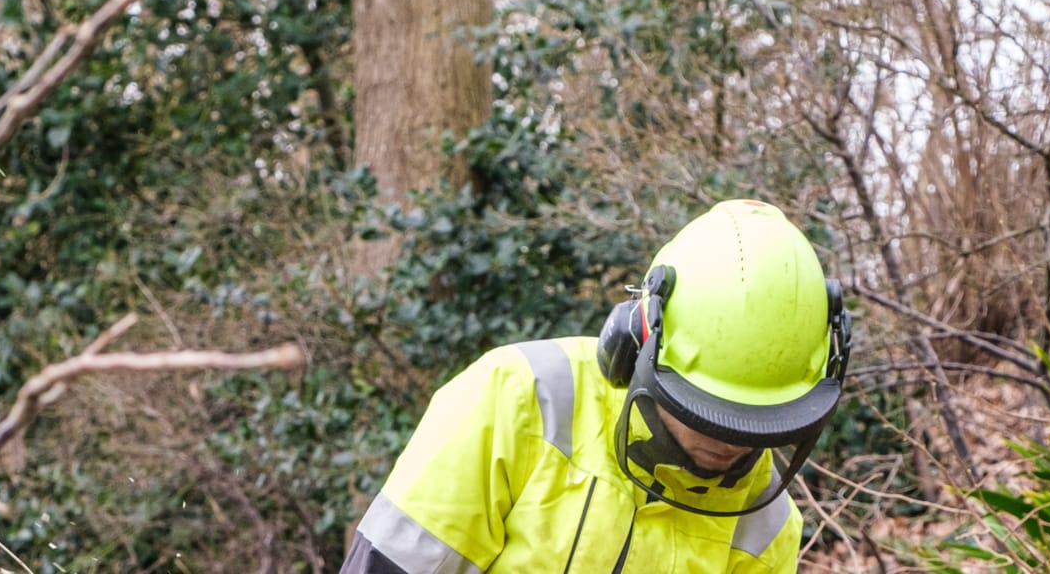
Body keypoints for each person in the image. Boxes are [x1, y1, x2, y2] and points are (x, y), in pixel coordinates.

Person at [342, 200, 852, 573]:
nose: (729, 441)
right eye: (705, 412)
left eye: (758, 425)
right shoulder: (517, 398)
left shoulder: (766, 526)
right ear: (638, 342)